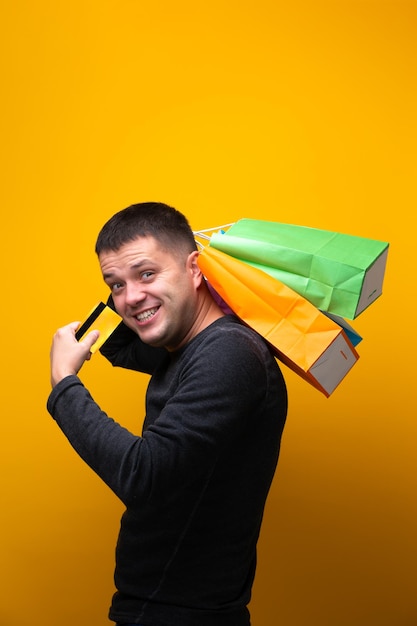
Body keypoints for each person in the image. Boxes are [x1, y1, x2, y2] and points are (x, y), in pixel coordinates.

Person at [48, 202, 287, 626]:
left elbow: (145, 477)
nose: (130, 296)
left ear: (195, 269)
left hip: (182, 615)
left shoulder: (229, 354)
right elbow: (122, 346)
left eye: (146, 273)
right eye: (115, 284)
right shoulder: (187, 347)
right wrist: (135, 289)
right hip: (161, 608)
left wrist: (65, 382)